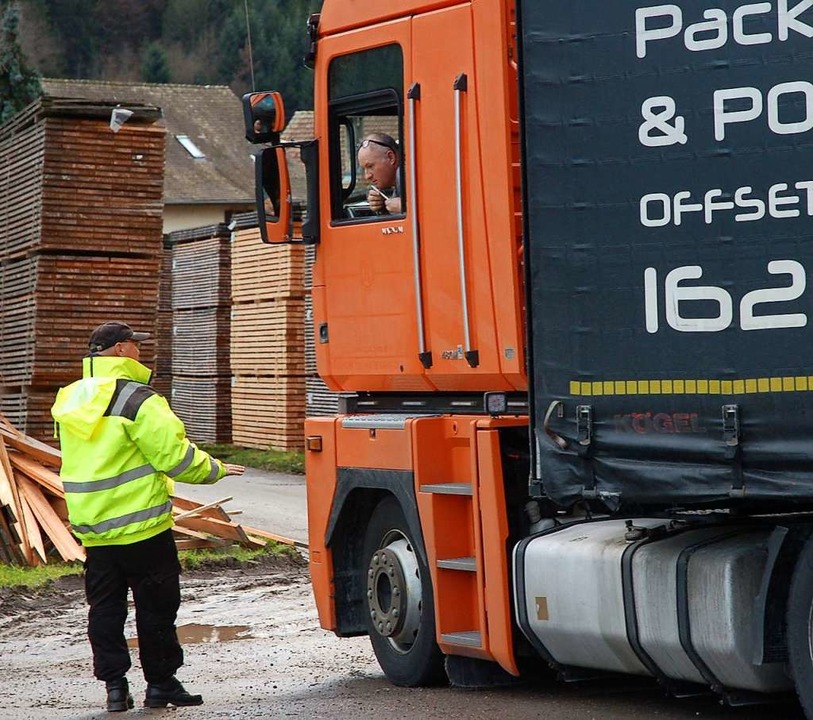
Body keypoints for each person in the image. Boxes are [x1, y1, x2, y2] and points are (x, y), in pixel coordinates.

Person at [50, 321, 246, 712]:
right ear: (121, 350)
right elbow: (176, 459)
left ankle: (115, 689)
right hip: (142, 526)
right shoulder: (138, 398)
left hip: (94, 527)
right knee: (156, 606)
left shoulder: (69, 399)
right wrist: (217, 469)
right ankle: (161, 685)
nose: (140, 351)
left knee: (104, 609)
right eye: (135, 345)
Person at [357, 133, 402, 214]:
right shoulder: (400, 181)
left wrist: (405, 207)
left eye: (370, 166)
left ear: (391, 157)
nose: (367, 176)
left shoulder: (411, 177)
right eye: (364, 169)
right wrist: (383, 206)